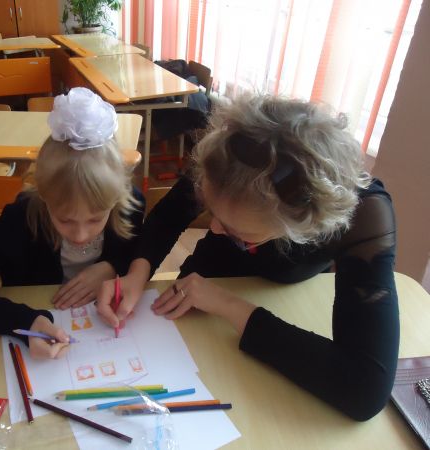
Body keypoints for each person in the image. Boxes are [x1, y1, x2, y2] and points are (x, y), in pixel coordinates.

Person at [97, 93, 398, 421]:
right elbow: (168, 217)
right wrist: (137, 274)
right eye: (212, 212)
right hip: (208, 282)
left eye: (234, 228)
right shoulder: (232, 157)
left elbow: (364, 389)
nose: (212, 227)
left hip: (287, 300)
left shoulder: (365, 214)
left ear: (297, 225)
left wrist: (228, 305)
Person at [0, 87, 144, 359]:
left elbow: (139, 251)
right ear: (44, 198)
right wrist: (26, 322)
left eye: (96, 219)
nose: (80, 235)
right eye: (65, 220)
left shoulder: (130, 206)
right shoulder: (21, 219)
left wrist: (111, 266)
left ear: (115, 199)